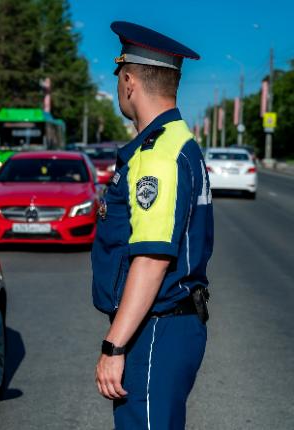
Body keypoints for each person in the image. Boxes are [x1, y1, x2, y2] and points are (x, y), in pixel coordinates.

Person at [91, 21, 214, 429]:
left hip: (157, 328)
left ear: (128, 81)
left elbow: (152, 258)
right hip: (171, 325)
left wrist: (114, 345)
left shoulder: (157, 156)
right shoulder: (181, 143)